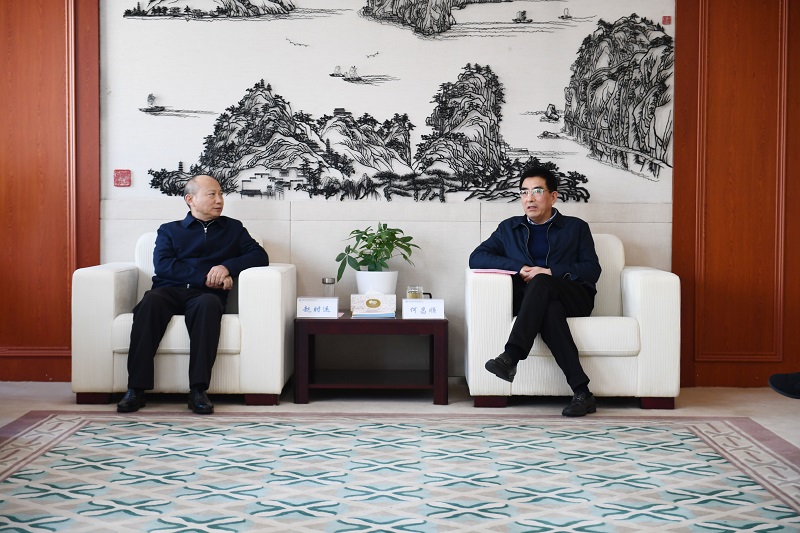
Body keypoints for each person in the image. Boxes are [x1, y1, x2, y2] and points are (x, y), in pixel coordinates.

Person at [117, 175, 269, 414]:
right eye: (212, 194)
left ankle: (198, 390)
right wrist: (207, 276)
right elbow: (163, 266)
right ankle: (135, 389)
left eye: (221, 194)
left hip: (206, 295)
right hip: (169, 290)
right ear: (190, 199)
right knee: (149, 302)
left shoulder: (233, 229)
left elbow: (260, 256)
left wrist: (226, 268)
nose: (219, 200)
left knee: (208, 305)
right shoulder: (169, 230)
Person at [469, 166, 601, 417]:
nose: (529, 198)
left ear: (553, 196)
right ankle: (582, 393)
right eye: (524, 192)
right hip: (534, 302)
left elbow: (592, 270)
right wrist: (519, 267)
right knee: (549, 310)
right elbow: (476, 257)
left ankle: (511, 356)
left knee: (541, 282)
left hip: (574, 296)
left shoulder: (576, 228)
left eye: (537, 191)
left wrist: (550, 272)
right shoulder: (509, 229)